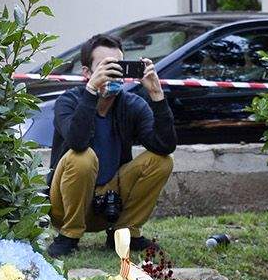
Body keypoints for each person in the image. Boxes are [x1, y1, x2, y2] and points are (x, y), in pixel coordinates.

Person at [45, 33, 177, 259]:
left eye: (118, 66)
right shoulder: (68, 102)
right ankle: (69, 235)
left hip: (110, 201)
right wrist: (92, 92)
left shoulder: (132, 105)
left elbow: (164, 146)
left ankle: (125, 232)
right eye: (106, 67)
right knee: (82, 157)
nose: (113, 73)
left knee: (161, 161)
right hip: (65, 205)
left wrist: (156, 94)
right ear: (87, 73)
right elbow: (77, 142)